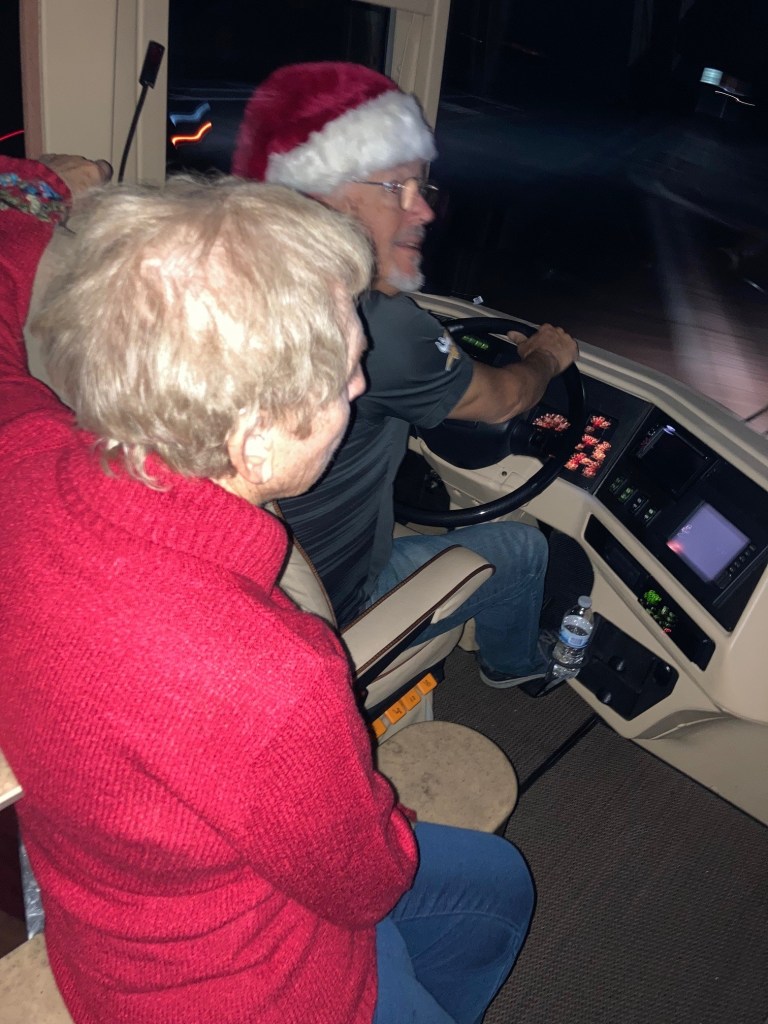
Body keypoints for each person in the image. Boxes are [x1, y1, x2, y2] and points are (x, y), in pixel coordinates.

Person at [0, 154, 534, 1024]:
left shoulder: (23, 460)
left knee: (500, 884)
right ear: (254, 442)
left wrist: (42, 192)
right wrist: (372, 810)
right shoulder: (271, 675)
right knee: (455, 903)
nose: (360, 386)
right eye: (343, 376)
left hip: (110, 916)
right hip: (246, 991)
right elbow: (366, 884)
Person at [233, 61, 579, 688]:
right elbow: (504, 399)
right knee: (525, 548)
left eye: (424, 188)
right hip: (329, 607)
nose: (423, 211)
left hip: (249, 586)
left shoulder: (239, 285)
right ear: (324, 196)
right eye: (397, 187)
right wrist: (546, 359)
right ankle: (519, 669)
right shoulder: (375, 323)